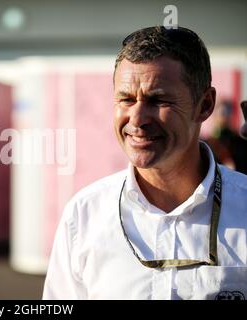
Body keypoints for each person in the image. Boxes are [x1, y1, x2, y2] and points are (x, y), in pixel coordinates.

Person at [43, 26, 247, 300]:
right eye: (126, 99)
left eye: (158, 99)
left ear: (205, 105)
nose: (137, 119)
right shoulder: (83, 215)